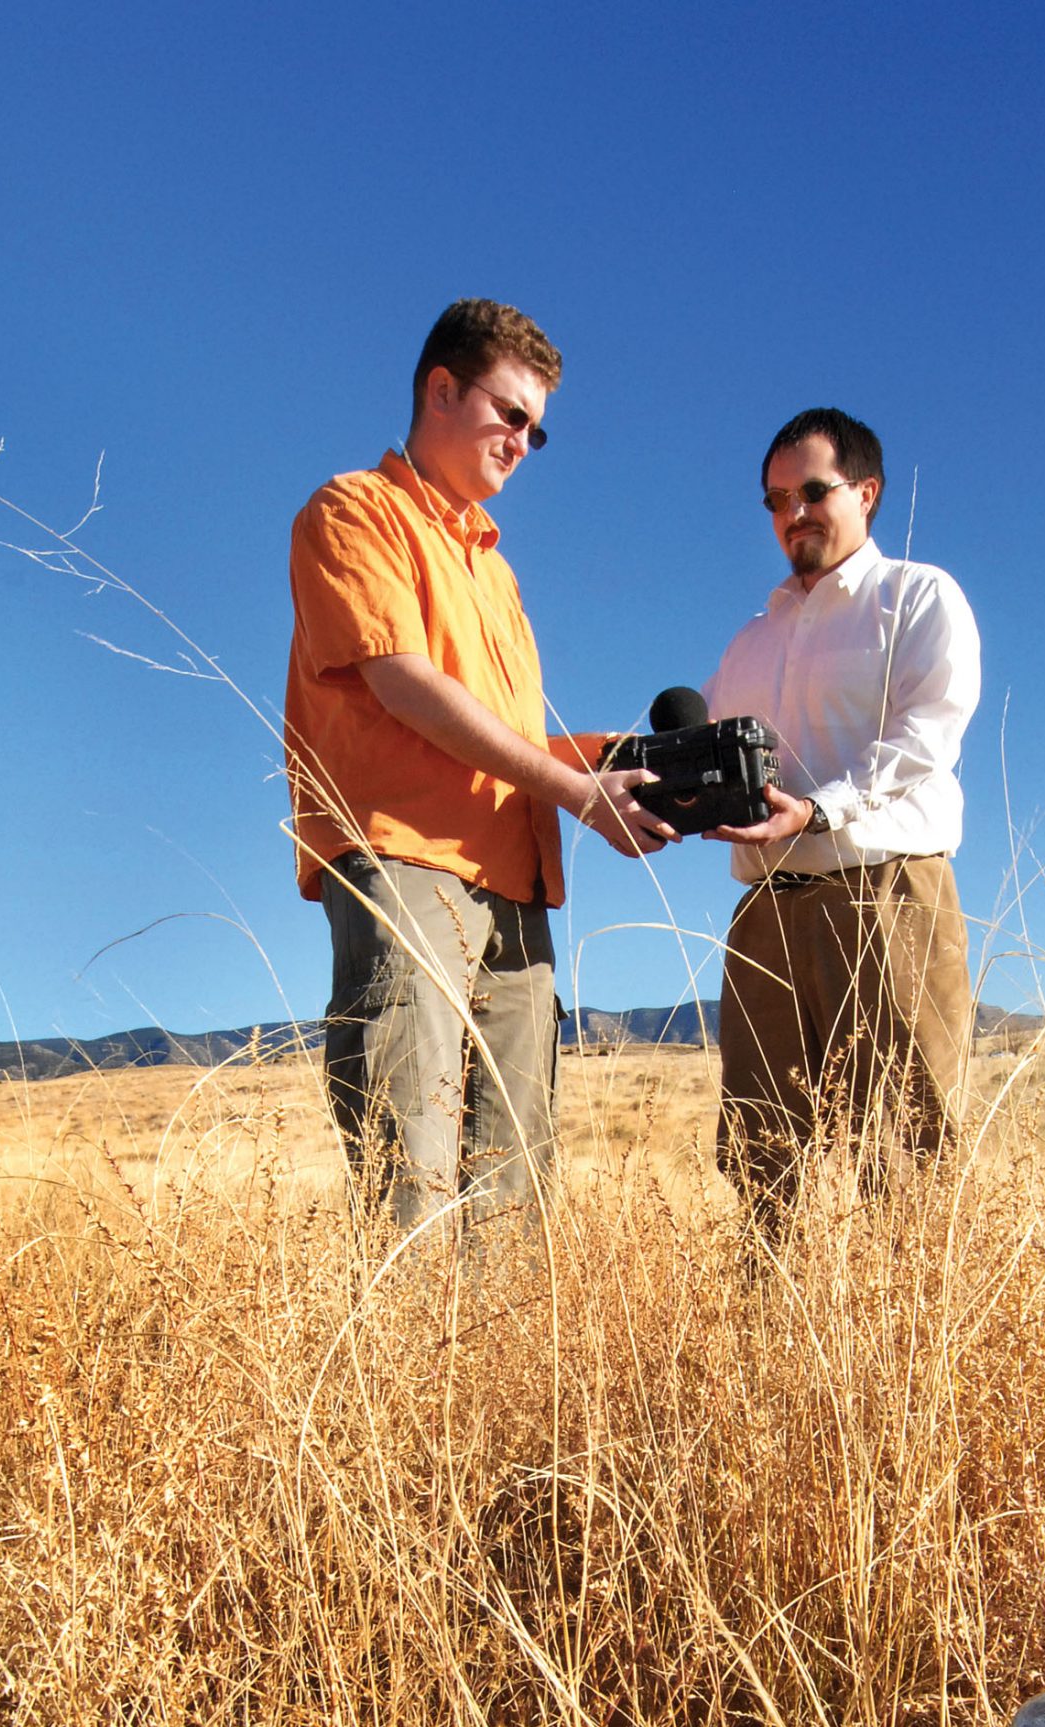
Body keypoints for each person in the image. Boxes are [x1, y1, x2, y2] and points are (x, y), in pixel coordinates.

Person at [284, 299, 673, 1238]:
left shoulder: (495, 570)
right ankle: (404, 1386)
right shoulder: (355, 510)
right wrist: (578, 793)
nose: (524, 442)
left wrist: (623, 766)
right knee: (408, 1179)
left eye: (538, 432)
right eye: (511, 414)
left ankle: (492, 1390)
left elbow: (502, 737)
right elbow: (404, 683)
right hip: (411, 865)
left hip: (518, 890)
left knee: (511, 1195)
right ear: (442, 389)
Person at [704, 406, 981, 1225]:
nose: (793, 514)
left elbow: (928, 730)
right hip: (764, 913)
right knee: (760, 1157)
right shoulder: (748, 642)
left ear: (866, 492)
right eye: (775, 499)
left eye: (813, 492)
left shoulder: (917, 597)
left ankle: (909, 1349)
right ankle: (769, 1345)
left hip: (884, 898)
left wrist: (818, 810)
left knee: (905, 1152)